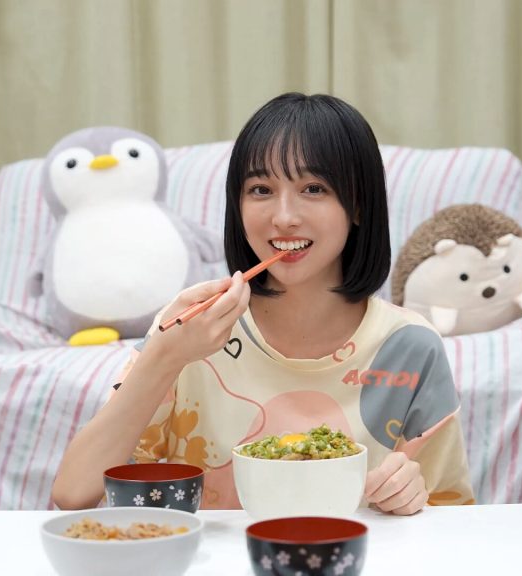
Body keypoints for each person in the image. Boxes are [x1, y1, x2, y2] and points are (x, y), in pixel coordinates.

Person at [52, 92, 474, 514]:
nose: (284, 217)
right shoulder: (191, 328)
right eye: (260, 189)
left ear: (358, 204)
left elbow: (451, 514)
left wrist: (414, 494)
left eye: (313, 188)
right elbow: (74, 493)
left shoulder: (410, 346)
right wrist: (167, 354)